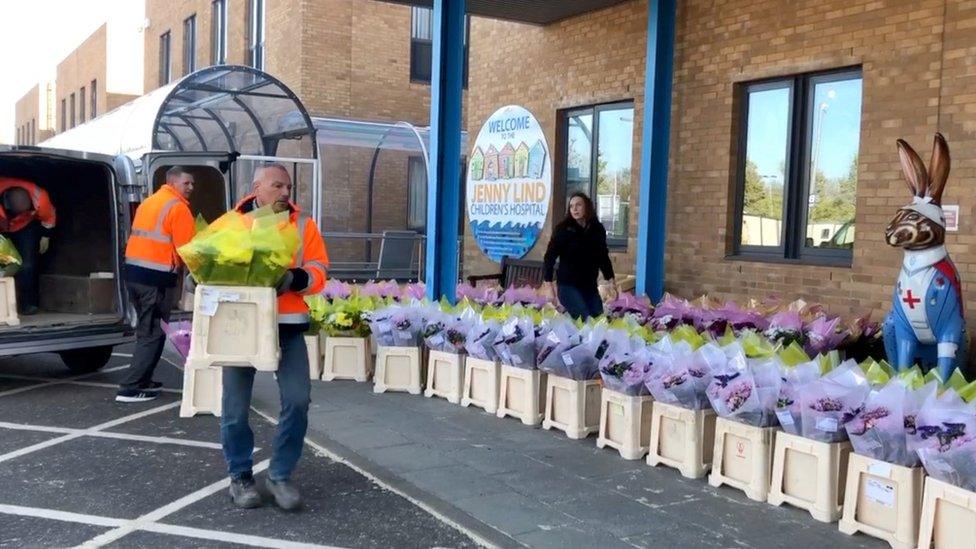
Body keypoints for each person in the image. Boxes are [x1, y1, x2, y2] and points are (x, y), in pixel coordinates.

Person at [220, 163, 329, 511]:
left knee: (298, 400)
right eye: (277, 186)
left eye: (289, 187)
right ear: (257, 188)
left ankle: (280, 475)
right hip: (241, 326)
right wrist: (199, 280)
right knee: (235, 409)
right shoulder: (233, 222)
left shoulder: (302, 224)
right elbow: (212, 264)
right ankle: (240, 477)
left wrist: (294, 279)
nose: (285, 193)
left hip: (288, 325)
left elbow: (319, 270)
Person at [119, 166, 195, 403]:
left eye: (192, 184)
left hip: (135, 275)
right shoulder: (178, 208)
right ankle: (131, 387)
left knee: (149, 329)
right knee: (151, 332)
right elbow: (189, 250)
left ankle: (143, 380)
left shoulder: (149, 202)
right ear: (172, 183)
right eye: (186, 183)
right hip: (156, 278)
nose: (191, 188)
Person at [542, 192, 617, 319]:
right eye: (571, 206)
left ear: (587, 207)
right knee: (584, 319)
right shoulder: (563, 229)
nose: (574, 209)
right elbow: (549, 257)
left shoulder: (597, 229)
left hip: (589, 285)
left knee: (598, 319)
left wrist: (611, 279)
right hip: (568, 285)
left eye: (578, 205)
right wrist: (548, 284)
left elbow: (603, 256)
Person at [0, 178, 56, 315]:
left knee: (28, 264)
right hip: (2, 225)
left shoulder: (40, 198)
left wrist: (46, 235)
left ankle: (28, 304)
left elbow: (49, 217)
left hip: (25, 226)